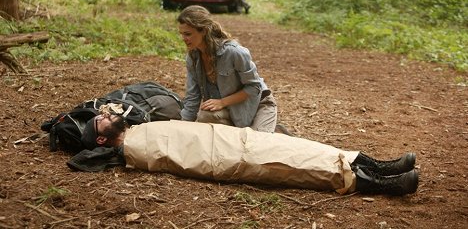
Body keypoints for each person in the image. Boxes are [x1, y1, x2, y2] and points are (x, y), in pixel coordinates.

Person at [75, 116, 419, 196]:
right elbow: (182, 156)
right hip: (228, 155)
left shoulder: (137, 128)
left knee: (306, 148)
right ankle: (385, 184)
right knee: (300, 165)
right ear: (103, 139)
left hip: (234, 138)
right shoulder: (133, 148)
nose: (105, 112)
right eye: (100, 120)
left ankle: (380, 164)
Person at [177, 5, 277, 133]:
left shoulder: (234, 52)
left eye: (188, 34)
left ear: (204, 31)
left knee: (255, 145)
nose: (183, 38)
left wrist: (223, 102)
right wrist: (181, 129)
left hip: (258, 105)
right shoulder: (193, 58)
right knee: (205, 116)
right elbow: (192, 98)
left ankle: (271, 128)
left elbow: (254, 87)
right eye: (181, 34)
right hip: (229, 110)